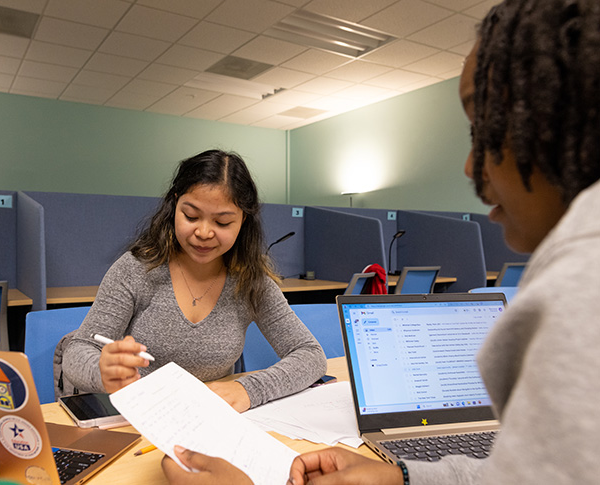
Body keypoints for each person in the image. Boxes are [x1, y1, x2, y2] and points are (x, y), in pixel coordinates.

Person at [161, 0, 600, 482]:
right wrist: (402, 477)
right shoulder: (139, 272)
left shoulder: (582, 281)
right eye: (192, 214)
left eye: (486, 129)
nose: (471, 166)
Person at [62, 149, 326, 412]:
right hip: (142, 418)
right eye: (191, 216)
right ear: (174, 205)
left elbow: (311, 355)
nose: (203, 232)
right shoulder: (137, 270)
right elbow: (77, 353)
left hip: (209, 421)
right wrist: (104, 371)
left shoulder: (250, 281)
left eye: (223, 222)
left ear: (243, 220)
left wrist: (248, 389)